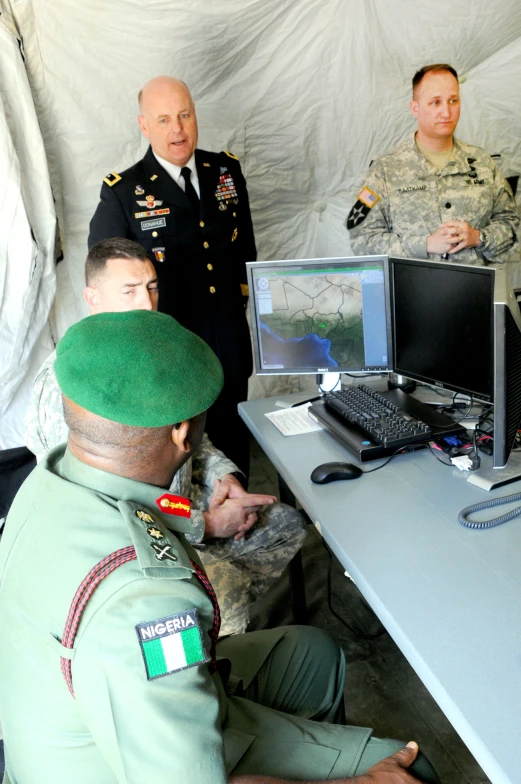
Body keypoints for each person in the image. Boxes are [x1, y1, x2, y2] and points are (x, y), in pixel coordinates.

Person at [0, 309, 439, 783]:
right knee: (416, 771)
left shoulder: (49, 478)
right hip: (119, 767)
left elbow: (136, 514)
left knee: (312, 652)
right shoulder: (150, 605)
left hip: (72, 727)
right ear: (182, 432)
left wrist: (203, 522)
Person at [25, 238, 307, 636]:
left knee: (285, 524)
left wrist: (224, 480)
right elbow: (106, 502)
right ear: (93, 297)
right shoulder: (76, 382)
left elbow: (194, 436)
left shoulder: (155, 354)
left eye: (152, 287)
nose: (146, 303)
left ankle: (211, 619)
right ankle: (210, 632)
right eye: (129, 291)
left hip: (182, 506)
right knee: (222, 601)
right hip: (134, 540)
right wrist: (206, 525)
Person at [89, 75, 256, 477]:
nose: (178, 129)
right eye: (163, 120)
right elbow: (107, 281)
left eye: (184, 115)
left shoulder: (226, 171)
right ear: (144, 126)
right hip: (169, 349)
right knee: (180, 461)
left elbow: (245, 250)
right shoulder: (124, 192)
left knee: (234, 446)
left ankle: (243, 527)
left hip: (229, 341)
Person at [347, 63, 519, 264]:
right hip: (410, 292)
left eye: (453, 101)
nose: (446, 112)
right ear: (415, 108)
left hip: (474, 290)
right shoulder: (383, 170)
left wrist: (479, 238)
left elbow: (511, 226)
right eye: (435, 102)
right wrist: (425, 244)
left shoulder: (482, 163)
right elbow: (361, 238)